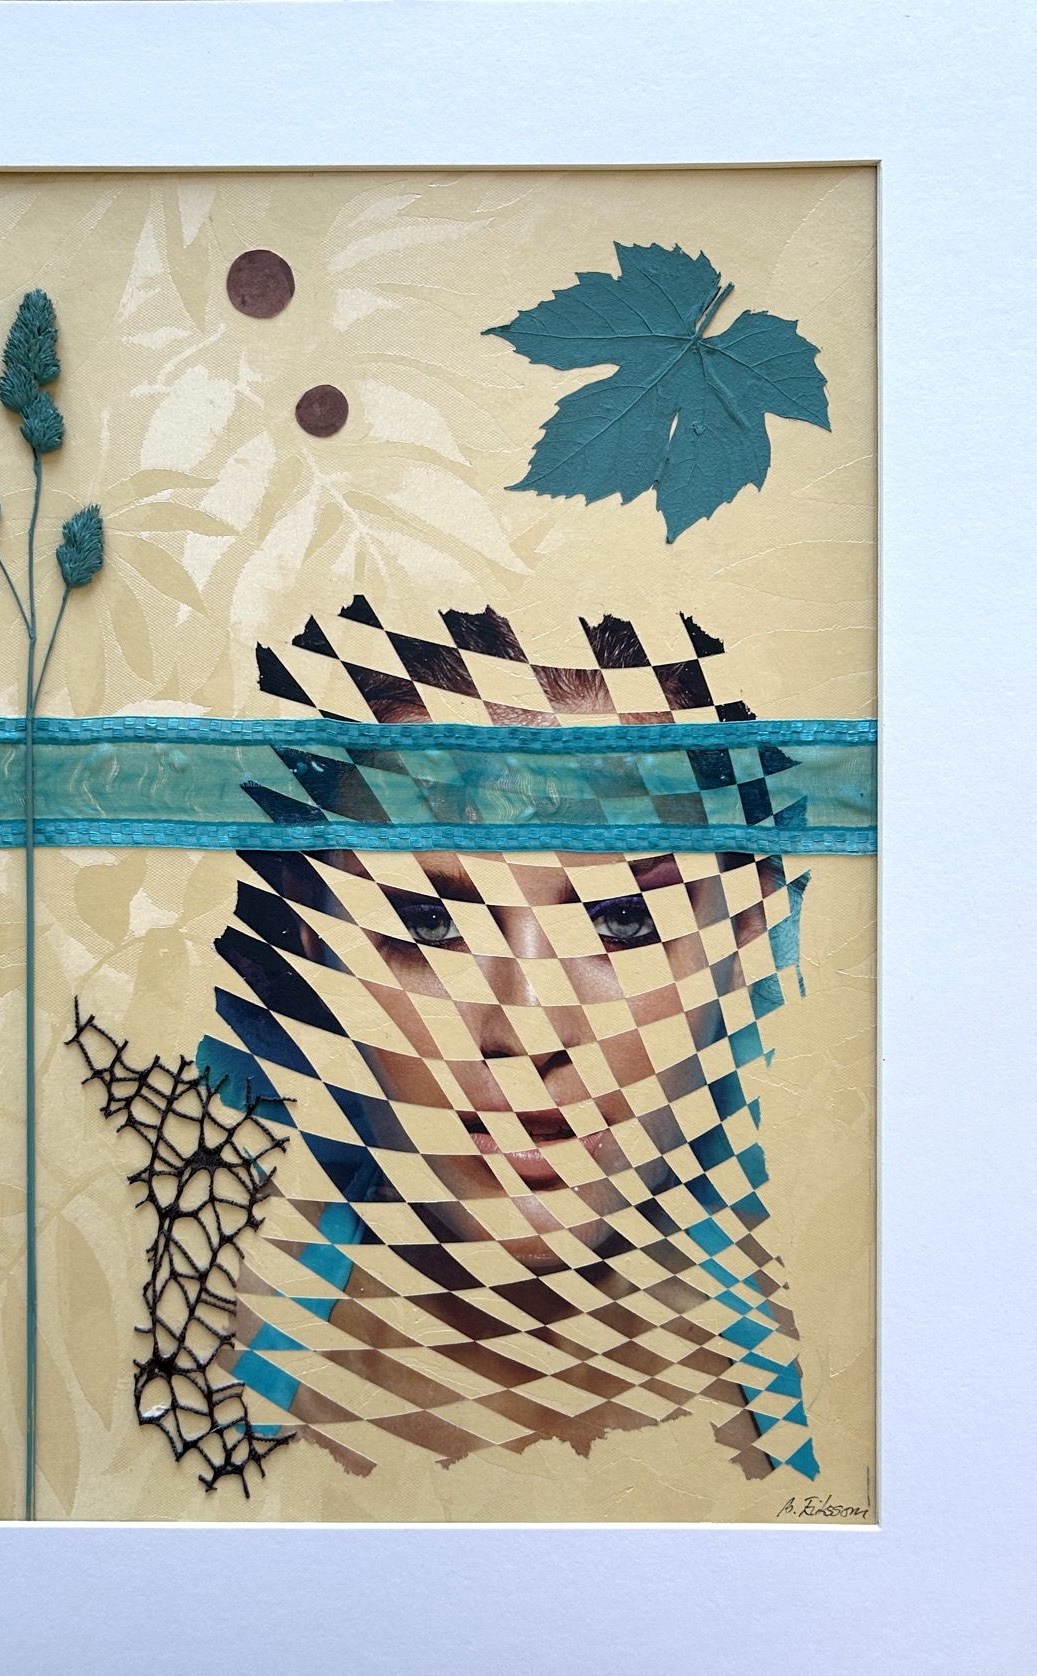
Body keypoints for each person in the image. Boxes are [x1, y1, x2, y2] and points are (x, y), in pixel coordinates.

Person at [188, 596, 820, 1485]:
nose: (526, 1028)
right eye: (428, 921)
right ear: (309, 929)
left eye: (622, 918)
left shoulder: (859, 1382)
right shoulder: (178, 1363)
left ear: (747, 929)